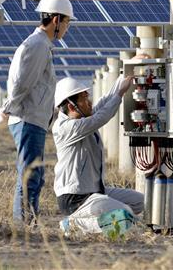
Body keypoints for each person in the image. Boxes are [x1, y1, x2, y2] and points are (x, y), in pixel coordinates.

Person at [0, 0, 74, 225]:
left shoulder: (42, 44)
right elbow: (23, 82)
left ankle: (27, 221)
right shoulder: (38, 45)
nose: (68, 27)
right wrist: (7, 108)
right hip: (28, 119)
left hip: (33, 120)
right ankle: (23, 224)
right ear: (56, 20)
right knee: (30, 174)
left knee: (35, 175)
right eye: (67, 22)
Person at [52, 74, 144, 235]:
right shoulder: (65, 127)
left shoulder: (82, 118)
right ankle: (73, 224)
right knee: (125, 217)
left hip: (95, 192)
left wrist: (121, 80)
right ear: (72, 107)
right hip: (76, 198)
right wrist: (119, 94)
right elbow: (101, 117)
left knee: (142, 202)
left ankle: (104, 220)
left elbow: (101, 105)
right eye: (84, 99)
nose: (89, 102)